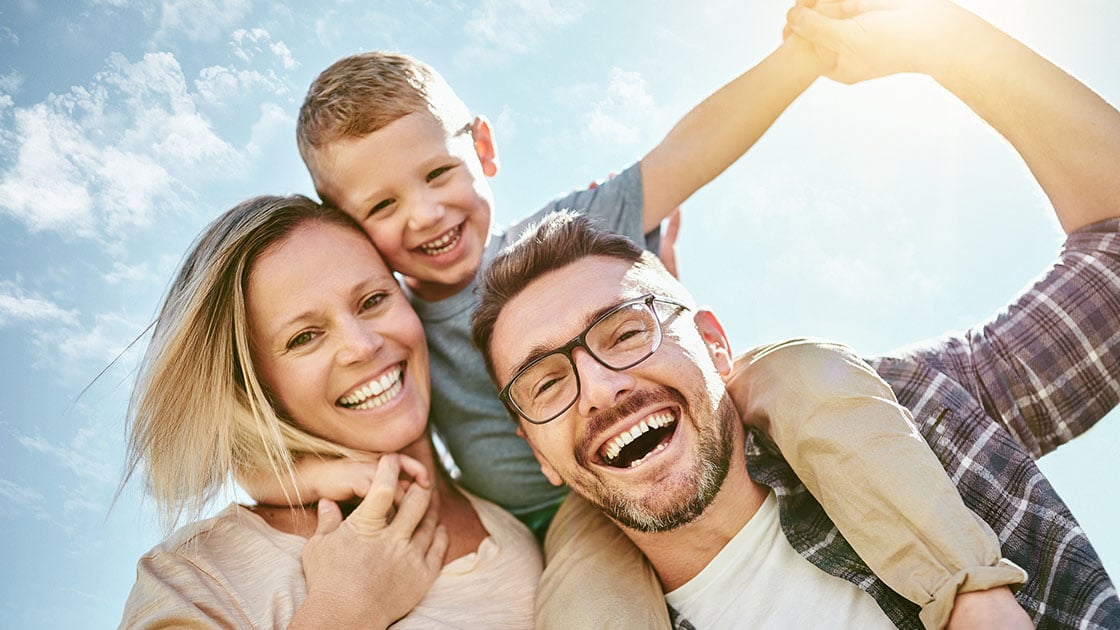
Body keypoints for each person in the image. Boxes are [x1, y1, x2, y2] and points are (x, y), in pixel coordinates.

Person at [241, 3, 1034, 627]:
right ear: (345, 224)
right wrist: (332, 471)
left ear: (483, 148)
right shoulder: (395, 340)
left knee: (798, 373)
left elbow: (686, 152)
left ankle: (969, 591)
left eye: (437, 173)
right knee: (583, 602)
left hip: (692, 430)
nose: (423, 215)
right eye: (382, 204)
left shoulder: (558, 240)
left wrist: (805, 54)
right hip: (575, 513)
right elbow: (249, 446)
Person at [469, 0, 1120, 626]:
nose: (602, 387)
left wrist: (948, 42)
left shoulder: (908, 413)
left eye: (627, 332)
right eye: (548, 382)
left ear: (715, 345)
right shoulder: (570, 605)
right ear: (540, 457)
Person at [118, 196, 541, 628]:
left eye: (373, 299)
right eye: (304, 337)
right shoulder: (198, 579)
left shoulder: (517, 522)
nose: (362, 345)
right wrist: (345, 611)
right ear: (253, 388)